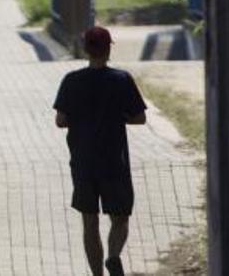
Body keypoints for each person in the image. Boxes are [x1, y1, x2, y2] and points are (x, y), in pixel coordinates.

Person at [53, 26, 147, 276]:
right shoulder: (121, 79)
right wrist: (117, 117)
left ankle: (97, 275)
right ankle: (114, 256)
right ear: (108, 49)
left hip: (83, 161)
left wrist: (81, 119)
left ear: (86, 50)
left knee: (89, 221)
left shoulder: (71, 81)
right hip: (114, 161)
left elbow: (61, 120)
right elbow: (140, 118)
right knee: (120, 218)